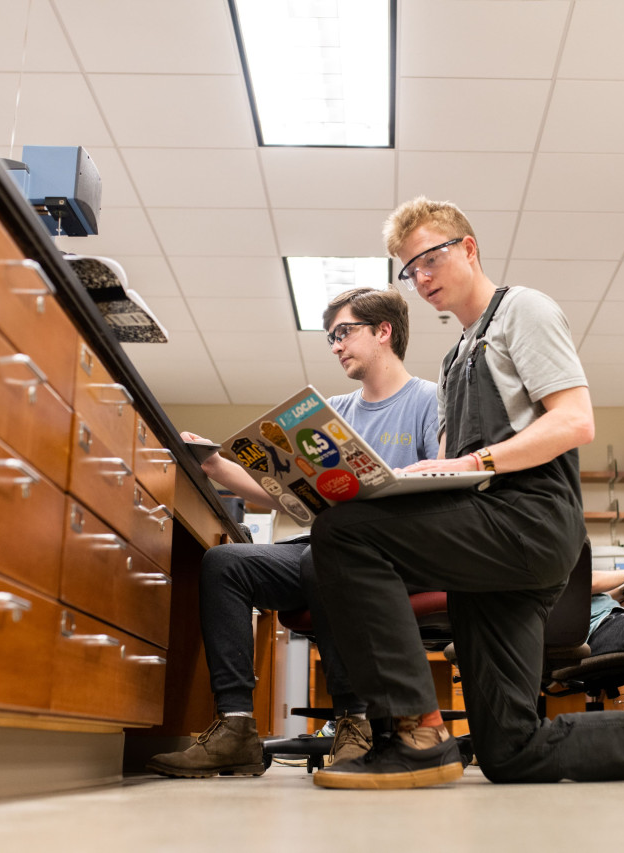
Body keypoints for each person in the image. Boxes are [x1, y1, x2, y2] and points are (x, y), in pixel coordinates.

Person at [304, 198, 624, 789]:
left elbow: (574, 422)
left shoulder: (523, 311)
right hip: (486, 541)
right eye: (410, 270)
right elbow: (459, 465)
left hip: (525, 523)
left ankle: (418, 731)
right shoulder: (457, 355)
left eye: (430, 258)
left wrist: (475, 459)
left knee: (343, 534)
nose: (422, 278)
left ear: (468, 247)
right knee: (511, 752)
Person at [146, 287, 439, 778]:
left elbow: (441, 480)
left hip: (394, 554)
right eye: (330, 338)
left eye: (344, 333)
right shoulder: (334, 412)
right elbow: (280, 492)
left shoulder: (430, 399)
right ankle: (237, 727)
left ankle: (355, 720)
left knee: (326, 552)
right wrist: (215, 464)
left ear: (383, 331)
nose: (335, 345)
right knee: (225, 563)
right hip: (324, 546)